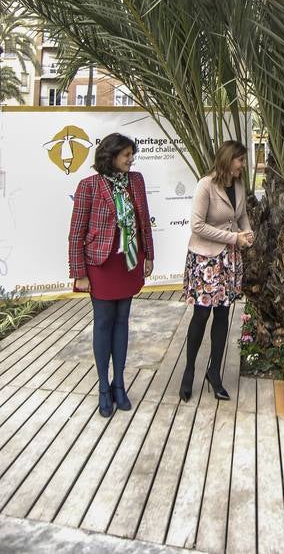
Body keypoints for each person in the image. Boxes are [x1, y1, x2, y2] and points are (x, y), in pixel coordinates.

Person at [68, 133, 154, 418]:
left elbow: (144, 221)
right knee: (103, 322)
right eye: (126, 154)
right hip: (100, 264)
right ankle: (103, 388)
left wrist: (149, 255)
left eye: (132, 154)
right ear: (111, 156)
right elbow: (76, 232)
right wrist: (79, 272)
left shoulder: (136, 181)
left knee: (122, 321)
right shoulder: (89, 186)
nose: (131, 159)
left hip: (128, 262)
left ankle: (120, 385)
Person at [180, 140, 254, 402]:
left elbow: (241, 215)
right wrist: (233, 238)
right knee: (201, 315)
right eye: (240, 160)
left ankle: (215, 372)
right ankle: (189, 372)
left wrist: (247, 232)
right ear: (227, 160)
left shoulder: (239, 185)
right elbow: (197, 226)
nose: (243, 165)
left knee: (223, 315)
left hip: (229, 260)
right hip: (206, 260)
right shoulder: (206, 185)